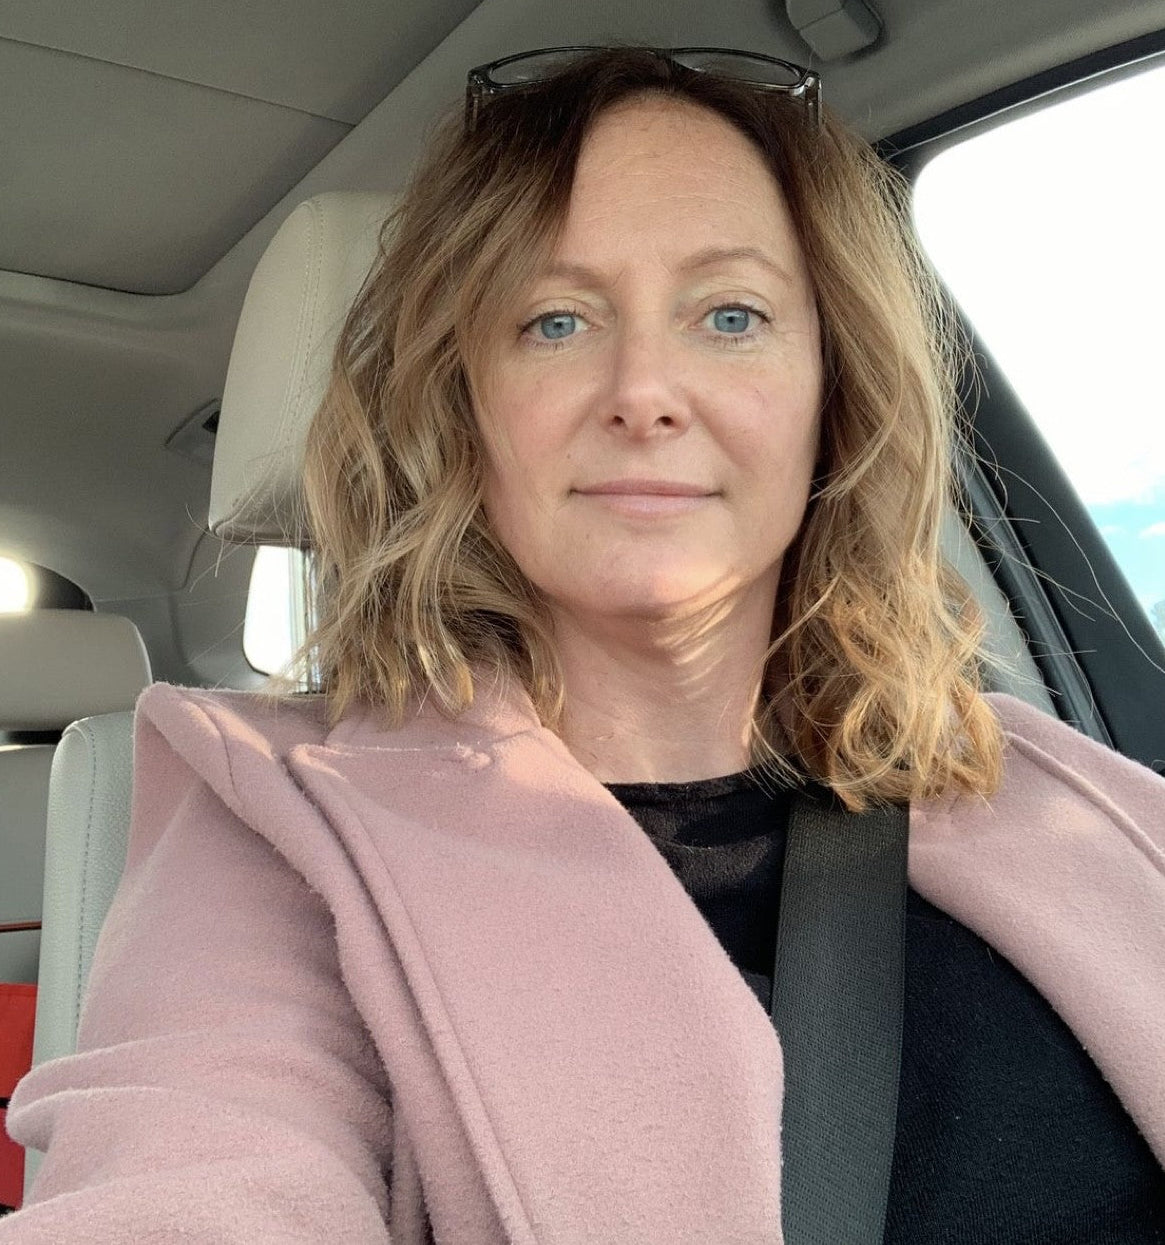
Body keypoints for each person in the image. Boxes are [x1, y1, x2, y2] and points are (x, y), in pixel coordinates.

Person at [3, 46, 1163, 1244]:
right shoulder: (274, 823)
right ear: (459, 406)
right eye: (554, 321)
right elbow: (192, 1173)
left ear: (833, 390)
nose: (644, 390)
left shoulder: (1068, 790)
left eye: (730, 316)